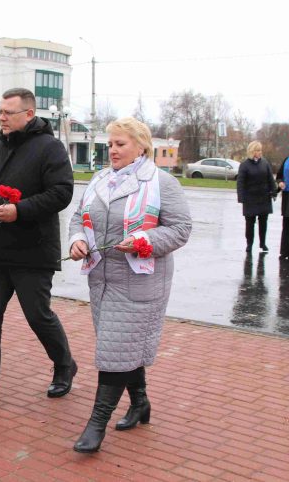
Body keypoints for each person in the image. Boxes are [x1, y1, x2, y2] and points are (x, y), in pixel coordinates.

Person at [67, 117, 192, 453]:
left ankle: (97, 424)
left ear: (141, 145)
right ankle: (140, 403)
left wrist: (142, 240)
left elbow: (180, 229)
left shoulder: (162, 183)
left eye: (120, 144)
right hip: (102, 279)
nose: (113, 150)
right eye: (110, 144)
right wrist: (77, 239)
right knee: (123, 348)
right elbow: (79, 216)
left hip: (141, 284)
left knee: (113, 351)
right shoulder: (100, 179)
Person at [0, 88, 76, 412]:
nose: (1, 117)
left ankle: (64, 365)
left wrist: (21, 211)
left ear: (29, 115)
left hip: (33, 254)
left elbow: (62, 193)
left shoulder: (51, 148)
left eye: (8, 112)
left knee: (38, 316)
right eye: (0, 112)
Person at [236, 141, 276, 253]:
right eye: (257, 150)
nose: (259, 152)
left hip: (264, 197)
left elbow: (270, 179)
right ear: (252, 152)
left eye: (260, 150)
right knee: (250, 223)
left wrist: (274, 191)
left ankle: (263, 243)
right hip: (250, 198)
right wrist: (241, 197)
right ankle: (249, 244)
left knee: (263, 221)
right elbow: (240, 182)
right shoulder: (244, 165)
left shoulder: (265, 163)